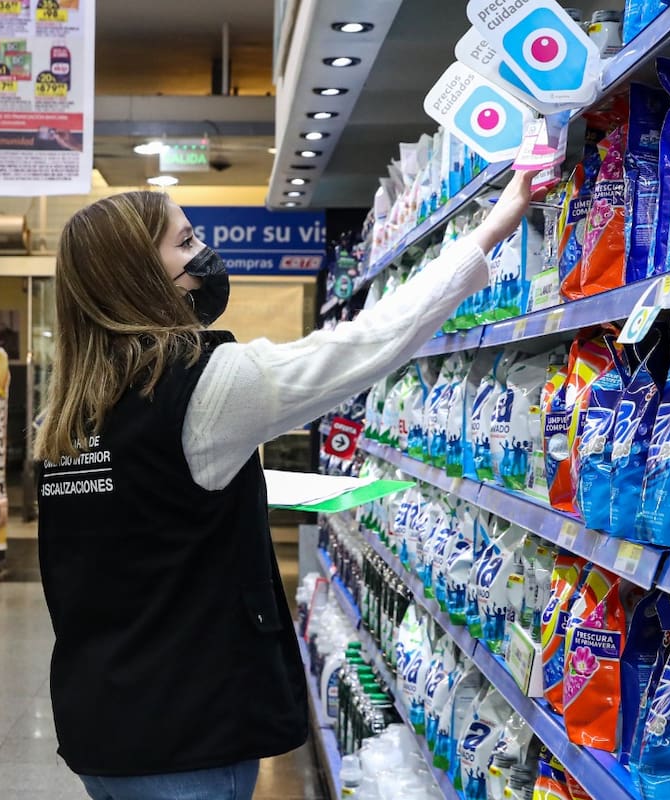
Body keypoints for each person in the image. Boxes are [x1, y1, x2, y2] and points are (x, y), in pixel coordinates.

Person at [34, 168, 539, 800]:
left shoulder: (67, 412)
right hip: (185, 732)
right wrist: (490, 230)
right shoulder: (207, 384)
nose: (203, 254)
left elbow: (148, 514)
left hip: (100, 721)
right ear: (138, 274)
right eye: (184, 242)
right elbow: (365, 345)